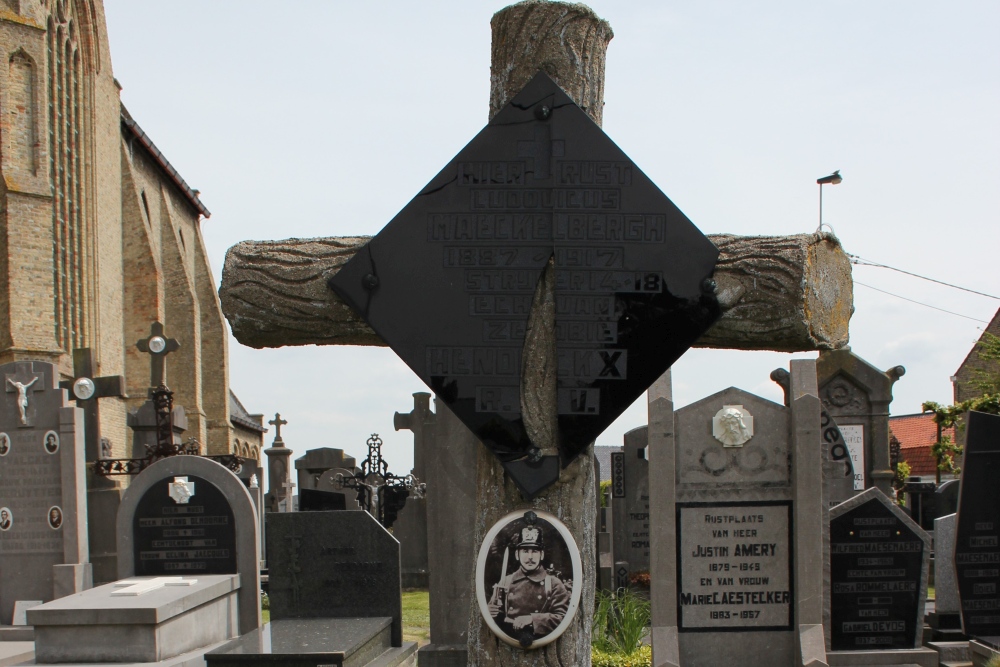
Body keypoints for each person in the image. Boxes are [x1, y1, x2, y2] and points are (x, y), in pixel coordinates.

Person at [487, 525, 570, 643]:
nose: (530, 557)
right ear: (517, 555)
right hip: (507, 641)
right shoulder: (506, 581)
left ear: (542, 555)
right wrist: (490, 612)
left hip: (542, 642)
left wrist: (532, 619)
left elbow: (562, 618)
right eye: (525, 551)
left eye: (535, 551)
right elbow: (495, 613)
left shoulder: (553, 583)